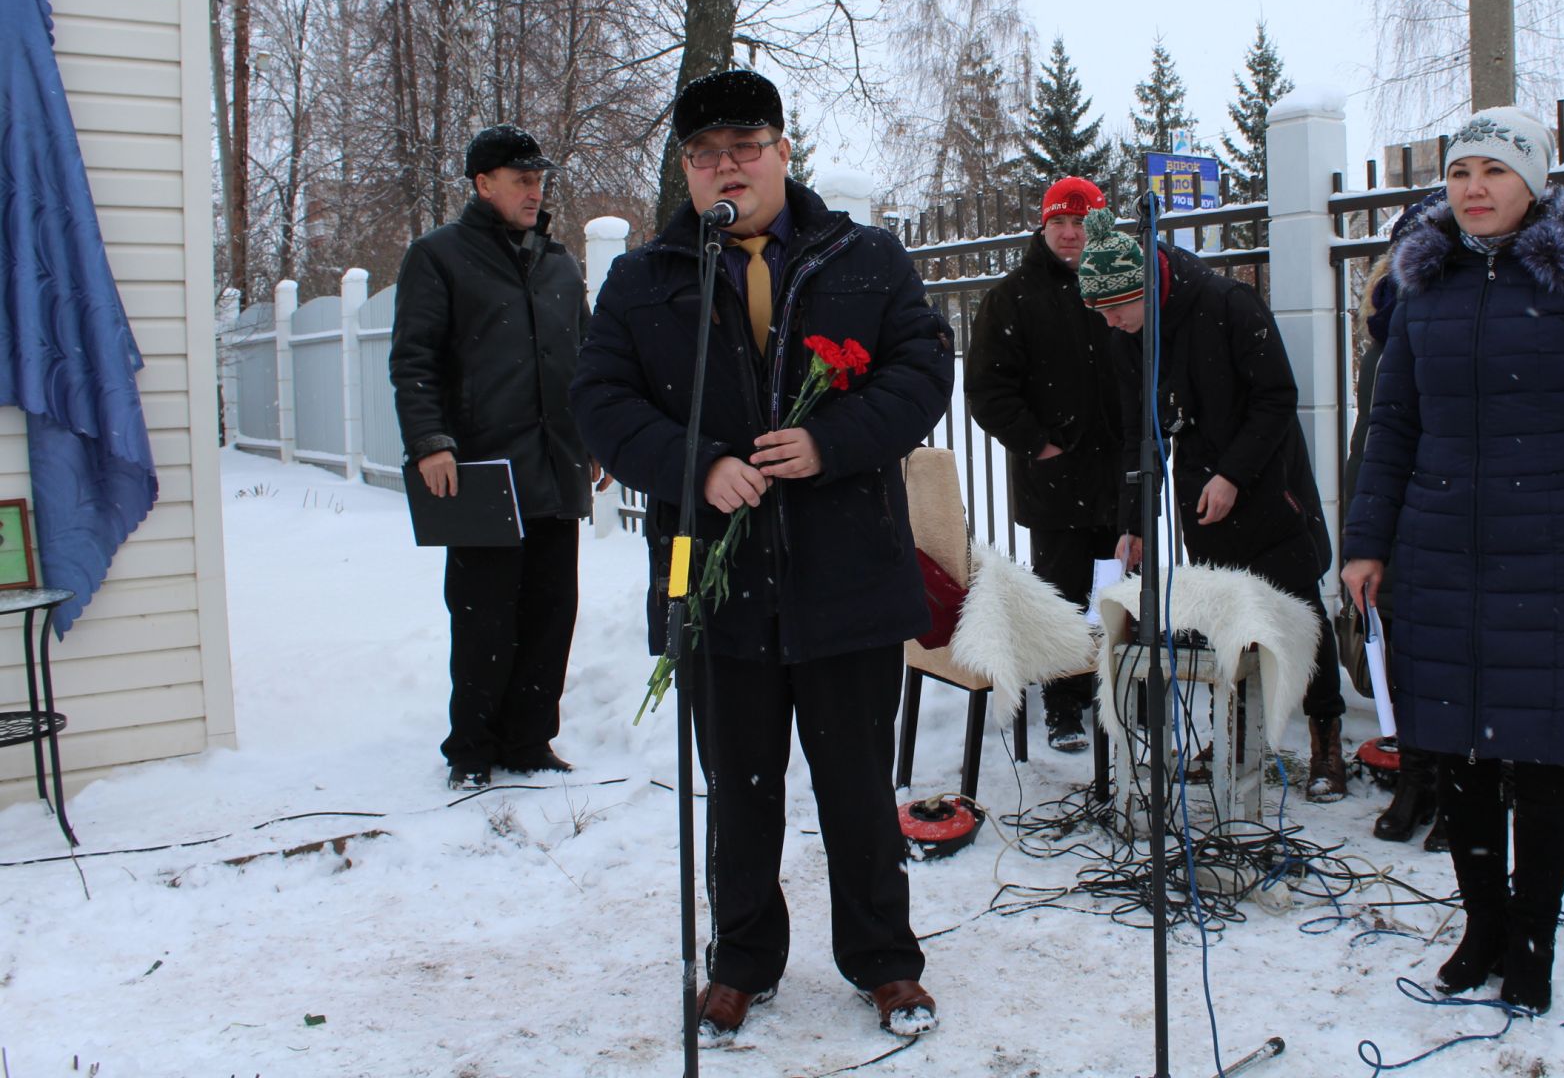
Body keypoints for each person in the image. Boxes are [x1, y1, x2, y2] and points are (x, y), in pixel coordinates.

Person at [569, 68, 952, 1045]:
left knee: (859, 788)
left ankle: (885, 959)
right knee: (737, 790)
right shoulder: (646, 276)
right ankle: (741, 958)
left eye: (744, 146)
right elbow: (600, 400)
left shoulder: (862, 259)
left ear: (783, 152)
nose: (724, 166)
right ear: (687, 170)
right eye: (704, 154)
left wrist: (835, 439)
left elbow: (920, 370)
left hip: (848, 574)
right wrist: (694, 466)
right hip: (718, 580)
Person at [1340, 106, 1564, 1014]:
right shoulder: (1424, 283)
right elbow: (1393, 424)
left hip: (1553, 555)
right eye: (1460, 172)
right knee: (1462, 757)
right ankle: (1481, 928)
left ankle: (1533, 943)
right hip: (1439, 552)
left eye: (1494, 171)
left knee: (1542, 760)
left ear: (1535, 183)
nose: (1473, 188)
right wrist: (1368, 543)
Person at [1078, 215, 1349, 801]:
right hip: (1201, 483)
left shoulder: (1229, 303)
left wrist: (1234, 474)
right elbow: (1137, 436)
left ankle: (1328, 737)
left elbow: (1277, 398)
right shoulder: (1126, 339)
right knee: (1225, 616)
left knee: (1298, 605)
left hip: (1268, 473)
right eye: (1100, 313)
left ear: (1146, 288)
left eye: (1116, 309)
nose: (1110, 323)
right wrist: (1133, 526)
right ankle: (1236, 735)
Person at [390, 124, 603, 792]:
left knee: (550, 612)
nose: (535, 193)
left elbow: (587, 358)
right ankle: (473, 746)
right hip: (482, 468)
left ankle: (530, 739)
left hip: (556, 461)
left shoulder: (561, 263)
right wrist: (431, 442)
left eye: (539, 181)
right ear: (483, 185)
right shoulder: (440, 257)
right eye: (521, 180)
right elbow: (414, 359)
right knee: (484, 616)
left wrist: (595, 435)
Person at [964, 175, 1124, 752]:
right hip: (1055, 479)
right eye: (1059, 222)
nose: (1069, 234)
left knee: (1121, 592)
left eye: (1080, 223)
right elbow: (987, 389)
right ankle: (1064, 704)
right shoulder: (1013, 297)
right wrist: (1039, 443)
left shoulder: (1118, 287)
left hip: (1121, 473)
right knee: (1062, 595)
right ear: (1043, 225)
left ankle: (1119, 692)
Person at [1347, 202, 1448, 852]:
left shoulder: (1460, 323)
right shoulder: (1384, 330)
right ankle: (1417, 780)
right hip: (1390, 512)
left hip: (1447, 511)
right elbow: (1374, 435)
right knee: (1404, 659)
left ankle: (1460, 795)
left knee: (1455, 665)